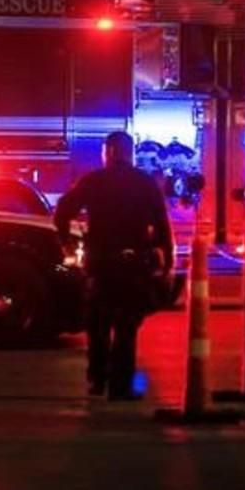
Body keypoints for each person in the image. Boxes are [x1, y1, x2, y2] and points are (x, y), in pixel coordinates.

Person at [55, 131, 174, 400]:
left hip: (100, 264)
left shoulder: (93, 181)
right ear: (130, 152)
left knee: (98, 324)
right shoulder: (144, 183)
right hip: (132, 265)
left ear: (107, 152)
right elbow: (162, 225)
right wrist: (166, 259)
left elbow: (62, 211)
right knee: (126, 327)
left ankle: (98, 379)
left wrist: (68, 243)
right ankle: (121, 386)